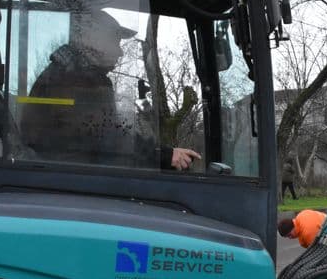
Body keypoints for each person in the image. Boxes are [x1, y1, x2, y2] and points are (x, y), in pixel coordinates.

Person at [20, 9, 200, 170]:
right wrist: (163, 155)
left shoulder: (70, 73)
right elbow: (108, 137)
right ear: (95, 43)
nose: (120, 52)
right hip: (68, 181)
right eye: (115, 42)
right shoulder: (75, 81)